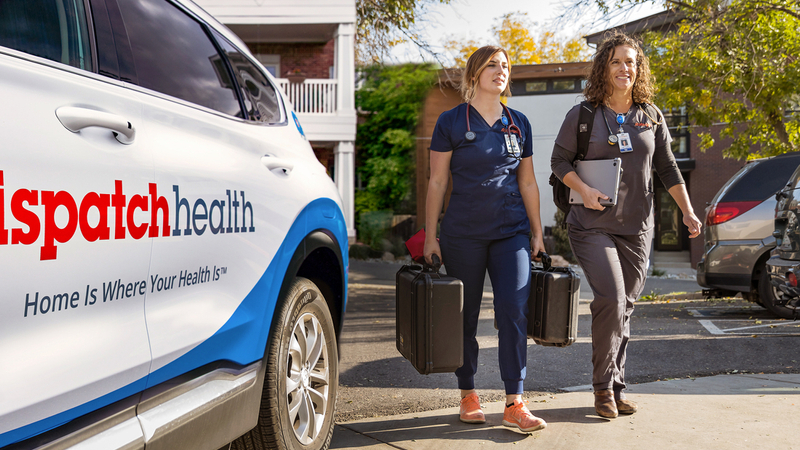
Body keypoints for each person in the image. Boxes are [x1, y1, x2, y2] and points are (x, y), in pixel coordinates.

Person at [550, 31, 702, 419]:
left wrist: (686, 211)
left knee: (625, 308)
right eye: (616, 61)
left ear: (639, 69)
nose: (624, 68)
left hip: (638, 226)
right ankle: (601, 389)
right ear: (604, 67)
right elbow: (559, 163)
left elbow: (667, 167)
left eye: (631, 61)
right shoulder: (583, 115)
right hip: (591, 224)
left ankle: (616, 386)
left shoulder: (650, 115)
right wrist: (582, 190)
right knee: (612, 301)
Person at [424, 45, 547, 432]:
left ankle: (515, 401)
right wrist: (431, 237)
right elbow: (438, 181)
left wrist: (538, 232)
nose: (501, 71)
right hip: (463, 234)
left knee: (514, 311)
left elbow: (527, 181)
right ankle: (468, 393)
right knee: (466, 317)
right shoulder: (450, 121)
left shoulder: (519, 122)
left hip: (511, 233)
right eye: (492, 65)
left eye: (506, 65)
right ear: (475, 72)